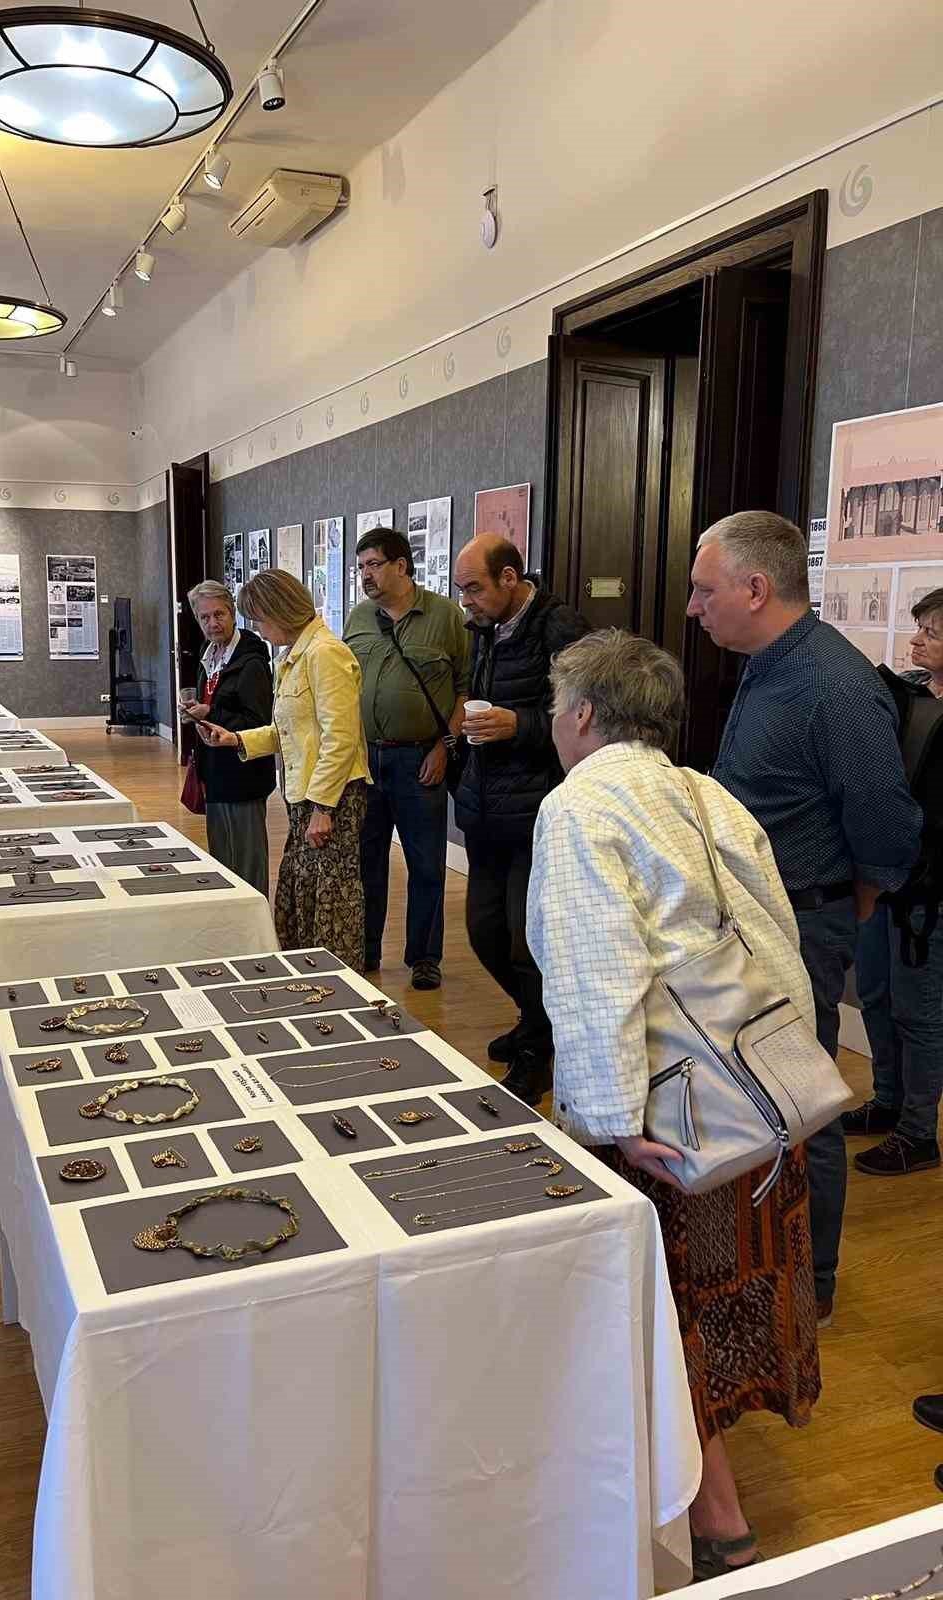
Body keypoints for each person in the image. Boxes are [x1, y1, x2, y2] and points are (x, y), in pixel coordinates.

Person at [527, 628, 820, 1582]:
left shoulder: (580, 806)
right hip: (750, 1101)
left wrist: (609, 1120)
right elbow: (777, 941)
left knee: (666, 1314)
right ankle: (711, 1499)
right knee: (729, 1303)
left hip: (670, 1117)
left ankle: (718, 1525)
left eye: (555, 704)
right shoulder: (706, 792)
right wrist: (788, 1076)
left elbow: (593, 972)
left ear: (580, 715)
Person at [688, 510, 921, 1323]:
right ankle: (762, 1260)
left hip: (800, 922)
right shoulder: (768, 663)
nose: (693, 607)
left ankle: (809, 1286)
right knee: (760, 1096)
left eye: (704, 590)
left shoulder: (834, 684)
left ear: (756, 589)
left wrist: (854, 898)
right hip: (758, 919)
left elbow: (887, 821)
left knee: (804, 1102)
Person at [451, 533, 588, 1104]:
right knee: (484, 932)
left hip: (536, 808)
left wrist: (519, 725)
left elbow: (582, 716)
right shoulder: (483, 630)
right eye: (461, 591)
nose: (467, 602)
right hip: (485, 806)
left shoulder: (561, 629)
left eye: (475, 588)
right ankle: (535, 1021)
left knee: (524, 942)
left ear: (511, 579)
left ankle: (539, 1048)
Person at [196, 570, 370, 970]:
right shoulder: (296, 655)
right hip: (304, 796)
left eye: (259, 618)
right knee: (300, 896)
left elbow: (340, 739)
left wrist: (322, 808)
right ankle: (308, 974)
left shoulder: (325, 654)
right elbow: (288, 730)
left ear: (280, 611)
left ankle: (335, 983)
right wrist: (237, 740)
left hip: (331, 799)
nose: (257, 627)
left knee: (330, 902)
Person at [343, 527, 469, 989]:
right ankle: (367, 948)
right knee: (366, 860)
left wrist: (445, 746)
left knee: (426, 863)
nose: (366, 576)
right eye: (360, 568)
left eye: (373, 565)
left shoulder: (445, 617)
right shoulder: (358, 619)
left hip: (421, 760)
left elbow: (463, 689)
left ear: (402, 565)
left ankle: (424, 956)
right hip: (367, 760)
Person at [845, 586, 943, 1175]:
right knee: (876, 996)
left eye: (931, 632)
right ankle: (887, 1102)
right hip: (887, 877)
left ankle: (919, 1131)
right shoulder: (907, 695)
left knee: (920, 1011)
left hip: (931, 893)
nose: (917, 640)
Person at [180, 580, 276, 896]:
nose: (213, 623)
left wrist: (211, 712)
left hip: (244, 773)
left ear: (233, 612)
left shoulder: (252, 660)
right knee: (222, 861)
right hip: (215, 771)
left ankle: (257, 930)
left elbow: (258, 721)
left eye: (218, 614)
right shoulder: (209, 655)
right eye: (205, 617)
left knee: (248, 864)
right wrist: (196, 712)